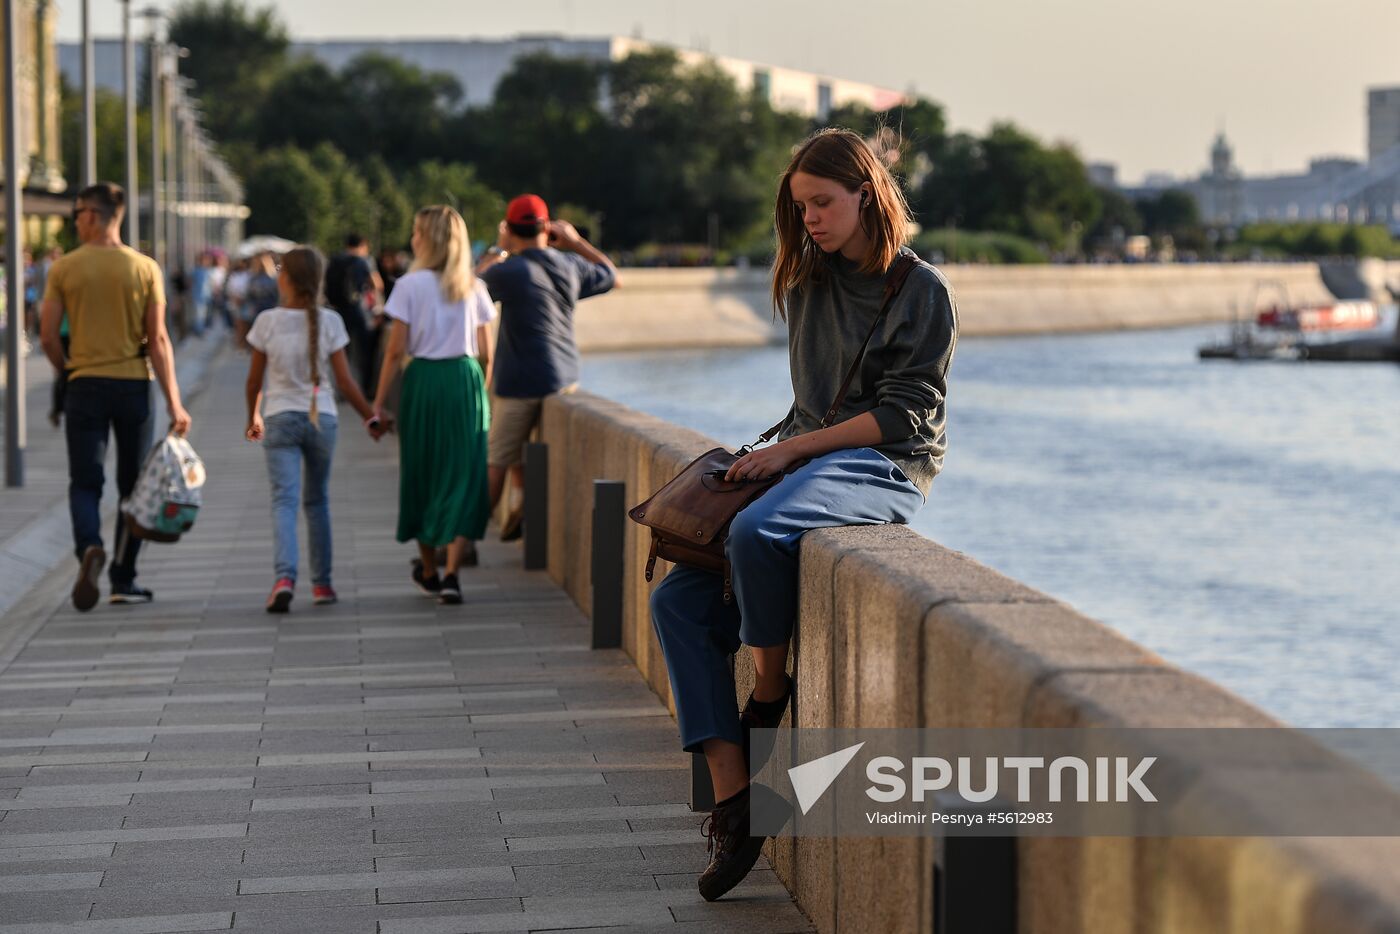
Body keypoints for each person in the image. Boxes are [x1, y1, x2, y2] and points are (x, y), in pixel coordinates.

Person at [648, 128, 958, 901]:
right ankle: (736, 804)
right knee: (675, 600)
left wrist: (796, 452)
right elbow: (808, 401)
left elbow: (904, 416)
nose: (811, 218)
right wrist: (789, 449)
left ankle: (770, 695)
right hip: (805, 456)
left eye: (824, 202)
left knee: (758, 531)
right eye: (800, 206)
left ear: (867, 193)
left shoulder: (922, 290)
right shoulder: (809, 276)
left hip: (884, 466)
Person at [39, 182, 193, 610]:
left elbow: (48, 334)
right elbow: (158, 338)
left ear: (94, 215)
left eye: (77, 214)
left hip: (84, 384)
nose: (75, 222)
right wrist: (175, 401)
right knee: (133, 486)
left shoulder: (64, 269)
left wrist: (67, 370)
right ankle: (124, 578)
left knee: (85, 482)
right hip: (132, 385)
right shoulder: (145, 268)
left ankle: (89, 546)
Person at [244, 246, 383, 613]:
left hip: (279, 418)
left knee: (284, 502)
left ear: (284, 278)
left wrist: (252, 417)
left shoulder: (266, 322)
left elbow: (253, 381)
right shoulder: (331, 322)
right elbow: (347, 383)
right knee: (317, 501)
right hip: (322, 420)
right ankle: (322, 585)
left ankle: (284, 578)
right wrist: (371, 418)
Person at [474, 194, 619, 540]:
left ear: (510, 228)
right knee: (519, 453)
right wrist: (575, 241)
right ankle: (521, 498)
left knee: (497, 458)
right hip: (563, 378)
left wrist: (499, 247)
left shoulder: (507, 271)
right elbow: (612, 275)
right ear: (547, 227)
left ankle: (468, 538)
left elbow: (467, 290)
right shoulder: (570, 264)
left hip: (518, 381)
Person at [371, 206, 495, 605]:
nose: (412, 239)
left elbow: (394, 353)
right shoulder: (474, 287)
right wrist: (480, 396)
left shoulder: (409, 285)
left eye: (416, 232)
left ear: (429, 239)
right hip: (463, 382)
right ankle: (453, 573)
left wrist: (377, 405)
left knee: (422, 472)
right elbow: (486, 356)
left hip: (423, 382)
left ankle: (428, 569)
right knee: (462, 473)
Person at [326, 233, 384, 393]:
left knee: (342, 350)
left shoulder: (335, 260)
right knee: (365, 351)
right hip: (359, 310)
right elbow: (377, 284)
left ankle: (341, 388)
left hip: (338, 310)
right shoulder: (364, 260)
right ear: (363, 244)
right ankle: (365, 388)